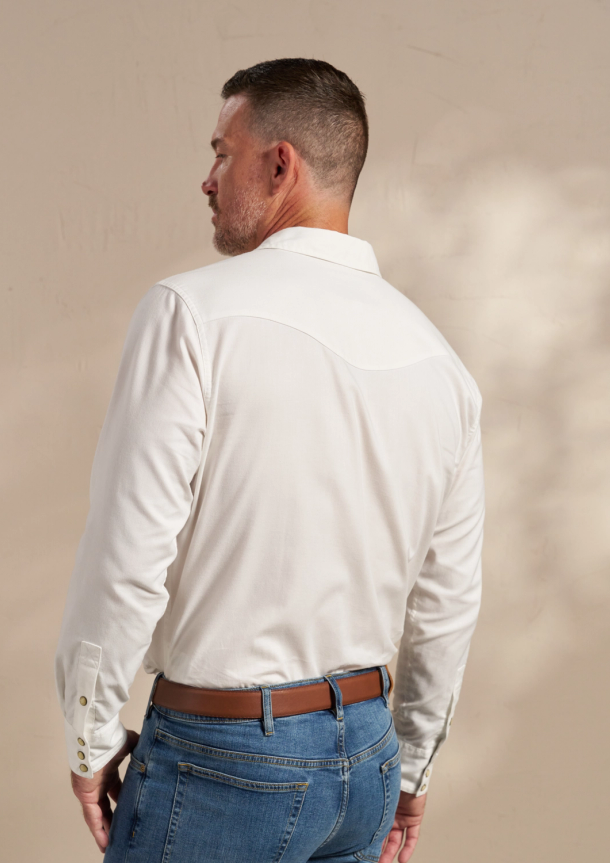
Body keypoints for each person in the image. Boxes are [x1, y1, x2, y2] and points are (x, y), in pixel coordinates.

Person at [54, 58, 484, 863]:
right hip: (366, 763)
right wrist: (413, 771)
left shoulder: (192, 314)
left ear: (279, 163)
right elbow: (447, 600)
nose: (208, 180)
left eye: (222, 151)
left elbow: (128, 554)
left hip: (224, 761)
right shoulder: (440, 362)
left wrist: (89, 733)